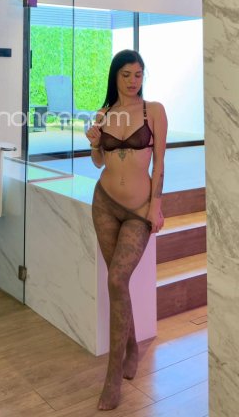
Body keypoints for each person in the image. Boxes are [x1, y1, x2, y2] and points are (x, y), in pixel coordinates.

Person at [86, 49, 167, 411]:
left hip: (137, 210)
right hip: (104, 203)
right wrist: (93, 141)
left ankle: (113, 377)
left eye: (138, 74)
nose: (133, 81)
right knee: (117, 283)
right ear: (115, 76)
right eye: (126, 74)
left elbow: (160, 162)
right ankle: (131, 347)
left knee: (117, 279)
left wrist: (156, 205)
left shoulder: (154, 111)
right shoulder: (104, 113)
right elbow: (98, 161)